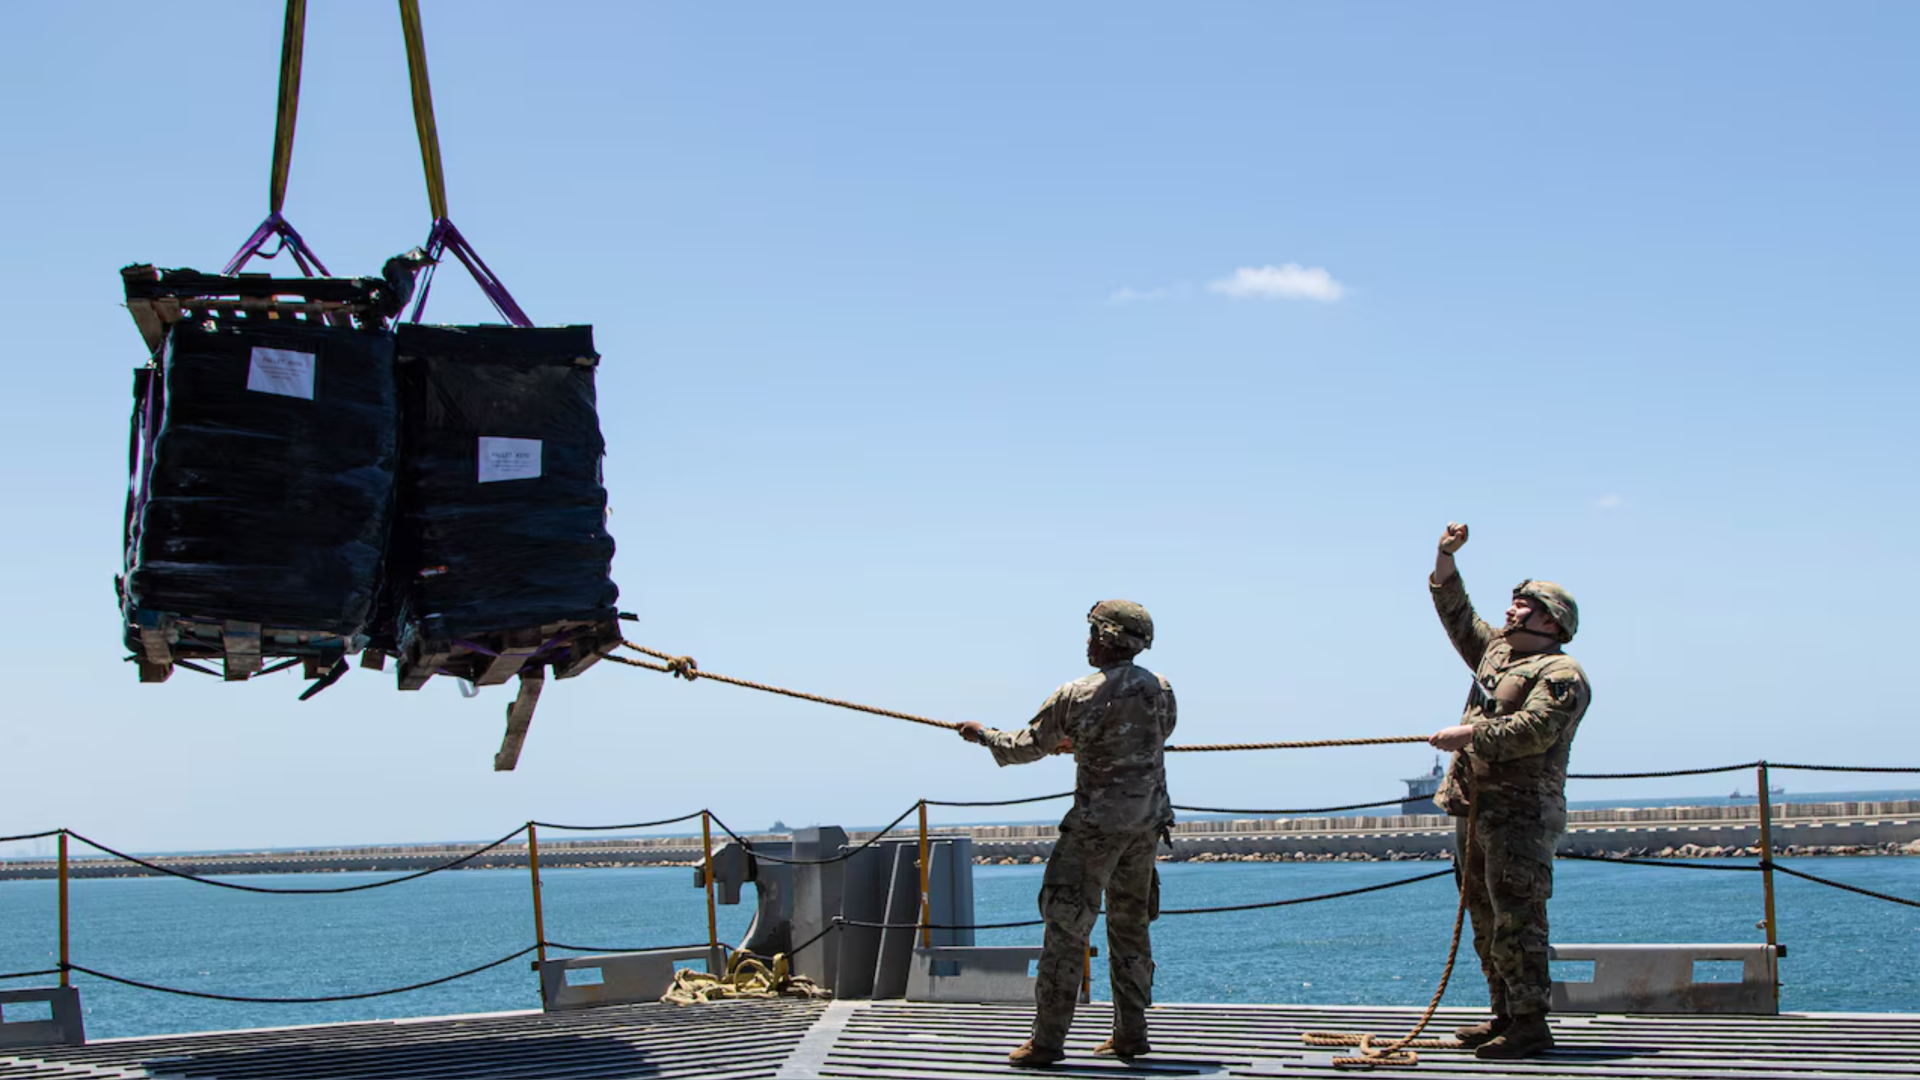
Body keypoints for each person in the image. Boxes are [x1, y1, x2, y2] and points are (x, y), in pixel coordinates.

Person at [958, 600, 1176, 1067]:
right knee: (1131, 929)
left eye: (1093, 634)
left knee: (1065, 929)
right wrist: (1083, 740)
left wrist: (983, 734)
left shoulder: (1075, 693)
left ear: (1107, 638)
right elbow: (1154, 734)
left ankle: (1047, 1042)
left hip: (1095, 830)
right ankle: (1131, 1035)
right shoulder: (1161, 688)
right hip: (1146, 827)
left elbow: (1026, 747)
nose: (1088, 643)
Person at [1427, 522, 1591, 1060]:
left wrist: (1470, 734)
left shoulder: (1562, 673)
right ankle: (1502, 1014)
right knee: (1483, 916)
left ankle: (1530, 1025)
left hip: (1520, 815)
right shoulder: (1497, 654)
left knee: (1518, 919)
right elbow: (1457, 614)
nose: (1511, 610)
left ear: (1551, 619)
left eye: (1523, 605)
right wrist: (1445, 557)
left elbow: (1536, 730)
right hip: (1475, 808)